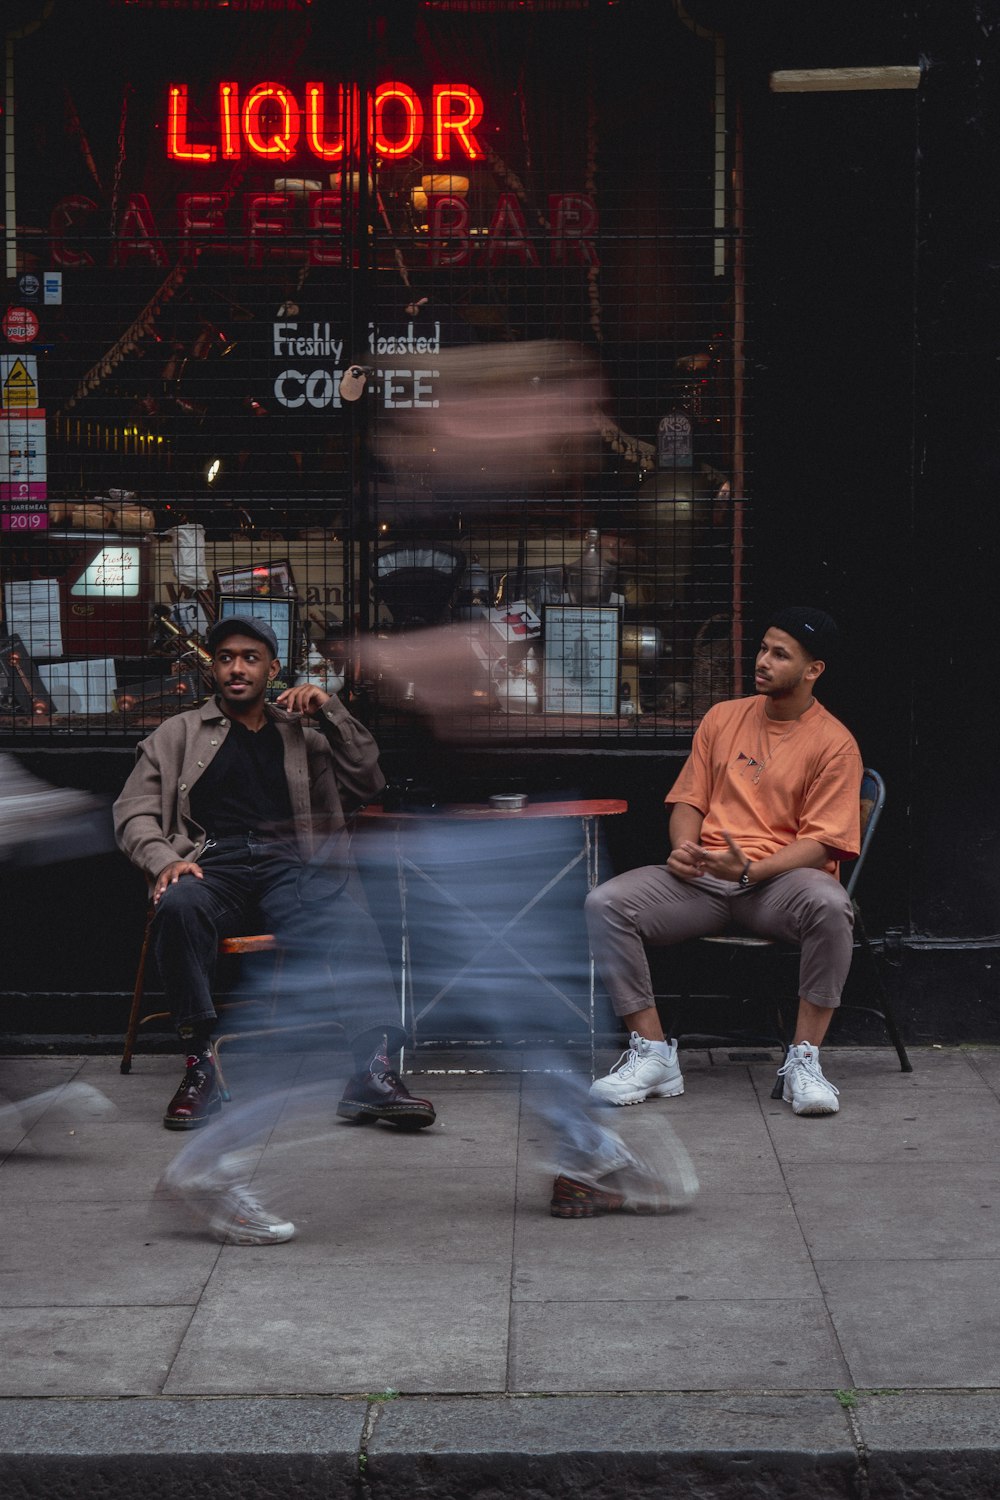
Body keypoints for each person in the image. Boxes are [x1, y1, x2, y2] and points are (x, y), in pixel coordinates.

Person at [114, 615, 435, 1236]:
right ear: (213, 667)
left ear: (271, 668)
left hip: (296, 862)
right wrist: (166, 860)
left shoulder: (305, 732)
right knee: (178, 907)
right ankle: (202, 1061)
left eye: (251, 658)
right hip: (216, 865)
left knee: (347, 912)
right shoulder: (178, 733)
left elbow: (369, 779)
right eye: (227, 658)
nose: (237, 669)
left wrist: (333, 712)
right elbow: (133, 813)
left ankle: (370, 1068)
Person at [585, 606, 862, 1140]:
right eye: (763, 648)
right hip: (706, 879)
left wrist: (753, 868)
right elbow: (688, 801)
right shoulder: (723, 717)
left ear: (813, 670)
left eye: (780, 654)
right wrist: (684, 848)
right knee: (607, 903)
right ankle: (653, 1055)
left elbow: (823, 842)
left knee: (831, 905)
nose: (762, 661)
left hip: (780, 884)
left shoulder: (834, 742)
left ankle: (805, 1061)